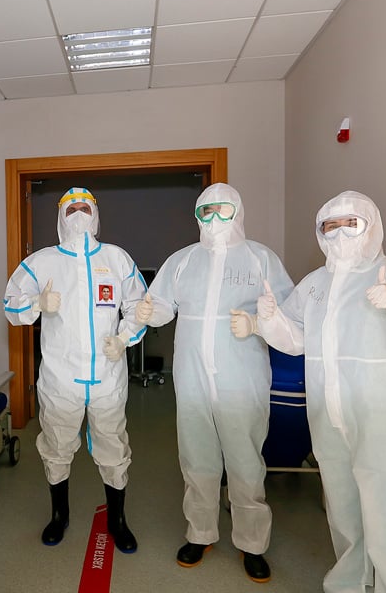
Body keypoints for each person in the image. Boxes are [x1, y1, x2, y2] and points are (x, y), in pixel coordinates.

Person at [248, 190, 386, 593]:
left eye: (352, 223)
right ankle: (350, 582)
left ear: (372, 226)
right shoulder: (315, 284)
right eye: (331, 226)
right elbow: (295, 339)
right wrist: (271, 320)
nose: (341, 233)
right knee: (344, 507)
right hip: (330, 416)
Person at [133, 182, 294, 583]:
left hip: (243, 378)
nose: (215, 218)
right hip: (192, 377)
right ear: (197, 216)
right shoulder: (183, 260)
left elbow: (290, 317)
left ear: (238, 210)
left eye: (223, 209)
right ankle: (200, 533)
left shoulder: (261, 259)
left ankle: (252, 543)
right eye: (206, 211)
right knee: (197, 457)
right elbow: (161, 305)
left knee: (245, 462)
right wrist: (148, 313)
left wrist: (259, 323)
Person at [3, 187, 148, 552]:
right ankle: (59, 515)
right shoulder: (41, 262)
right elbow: (11, 305)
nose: (79, 214)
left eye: (85, 207)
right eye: (71, 209)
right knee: (56, 446)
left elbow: (139, 306)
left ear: (96, 214)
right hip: (60, 379)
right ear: (60, 216)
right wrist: (37, 303)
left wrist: (125, 338)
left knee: (114, 447)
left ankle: (117, 520)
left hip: (108, 377)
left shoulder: (117, 259)